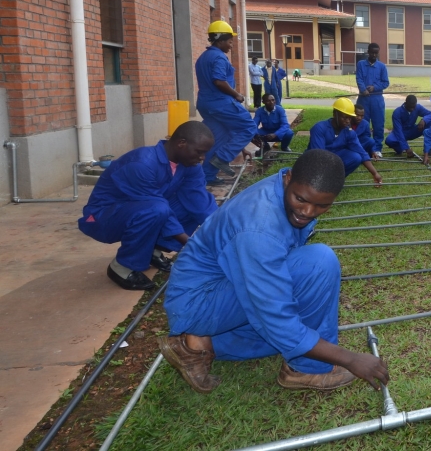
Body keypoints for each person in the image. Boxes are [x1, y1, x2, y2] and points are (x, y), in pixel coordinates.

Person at [159, 150, 390, 393]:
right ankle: (306, 369)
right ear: (289, 179)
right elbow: (276, 316)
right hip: (198, 301)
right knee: (318, 264)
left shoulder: (284, 190)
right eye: (301, 199)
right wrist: (350, 359)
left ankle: (198, 346)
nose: (308, 212)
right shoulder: (260, 228)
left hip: (220, 288)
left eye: (322, 205)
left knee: (289, 332)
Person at [78, 122, 217, 291]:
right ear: (181, 143)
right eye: (199, 152)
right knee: (157, 210)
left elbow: (198, 199)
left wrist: (220, 230)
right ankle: (122, 267)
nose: (202, 158)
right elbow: (157, 208)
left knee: (191, 204)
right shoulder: (142, 163)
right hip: (102, 217)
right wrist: (194, 245)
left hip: (144, 208)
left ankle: (151, 249)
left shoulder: (189, 165)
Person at [196, 21, 256, 185]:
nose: (231, 45)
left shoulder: (203, 57)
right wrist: (236, 95)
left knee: (217, 137)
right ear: (220, 39)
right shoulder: (219, 57)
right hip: (221, 103)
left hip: (205, 104)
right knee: (249, 127)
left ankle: (207, 176)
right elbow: (219, 81)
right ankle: (222, 158)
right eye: (229, 41)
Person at [308, 98, 382, 186]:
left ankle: (334, 181)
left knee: (356, 157)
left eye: (350, 118)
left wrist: (375, 173)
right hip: (317, 161)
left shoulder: (349, 132)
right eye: (345, 117)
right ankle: (320, 181)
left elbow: (361, 152)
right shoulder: (319, 128)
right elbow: (318, 156)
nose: (348, 121)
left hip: (334, 158)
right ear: (335, 114)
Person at [355, 43, 390, 158]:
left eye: (376, 53)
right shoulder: (360, 64)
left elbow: (386, 82)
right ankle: (363, 148)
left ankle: (377, 149)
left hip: (377, 99)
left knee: (378, 124)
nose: (374, 55)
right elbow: (359, 78)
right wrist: (363, 89)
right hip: (363, 100)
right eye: (372, 52)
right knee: (362, 124)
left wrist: (375, 87)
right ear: (368, 52)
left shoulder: (382, 66)